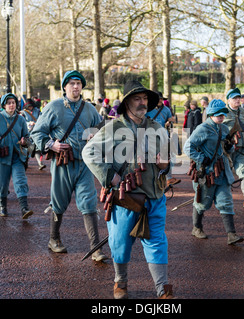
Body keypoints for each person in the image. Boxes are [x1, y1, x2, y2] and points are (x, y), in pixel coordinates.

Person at [83, 80, 173, 299]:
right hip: (125, 197)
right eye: (137, 98)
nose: (142, 103)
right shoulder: (113, 127)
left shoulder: (157, 128)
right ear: (126, 103)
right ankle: (120, 282)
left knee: (157, 241)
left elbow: (166, 162)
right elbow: (89, 153)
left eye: (144, 99)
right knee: (120, 242)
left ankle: (163, 289)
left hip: (154, 196)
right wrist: (109, 176)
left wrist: (164, 164)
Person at [30, 70, 107, 262]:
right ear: (64, 86)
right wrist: (51, 145)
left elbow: (101, 130)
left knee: (89, 203)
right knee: (59, 202)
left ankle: (95, 248)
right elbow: (37, 132)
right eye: (72, 83)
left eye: (79, 83)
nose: (75, 87)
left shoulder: (89, 108)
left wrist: (95, 136)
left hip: (85, 165)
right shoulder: (54, 107)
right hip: (63, 163)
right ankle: (53, 239)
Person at [184, 99, 244, 245]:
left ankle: (231, 235)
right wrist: (201, 158)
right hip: (206, 172)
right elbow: (188, 147)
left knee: (226, 202)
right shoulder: (202, 128)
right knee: (202, 202)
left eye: (223, 114)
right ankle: (196, 228)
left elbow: (226, 149)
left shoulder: (223, 128)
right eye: (218, 114)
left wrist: (230, 146)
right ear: (210, 114)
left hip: (221, 171)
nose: (221, 116)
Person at [0, 93, 33, 219]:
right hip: (1, 155)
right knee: (1, 183)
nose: (11, 105)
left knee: (21, 180)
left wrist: (25, 141)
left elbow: (27, 136)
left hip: (17, 156)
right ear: (3, 105)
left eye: (13, 102)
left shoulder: (21, 119)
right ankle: (3, 206)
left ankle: (24, 208)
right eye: (8, 103)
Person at [146, 91, 179, 186]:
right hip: (151, 136)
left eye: (161, 99)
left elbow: (171, 120)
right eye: (159, 99)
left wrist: (170, 121)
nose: (160, 100)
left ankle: (168, 177)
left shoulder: (167, 109)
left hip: (164, 135)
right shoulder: (149, 109)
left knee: (168, 156)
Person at [21, 99, 46, 170]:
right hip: (27, 133)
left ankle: (40, 163)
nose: (30, 108)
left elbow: (42, 119)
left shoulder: (37, 111)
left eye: (31, 106)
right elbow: (21, 122)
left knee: (37, 148)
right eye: (29, 106)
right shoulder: (23, 112)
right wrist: (29, 123)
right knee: (27, 149)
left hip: (36, 133)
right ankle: (25, 162)